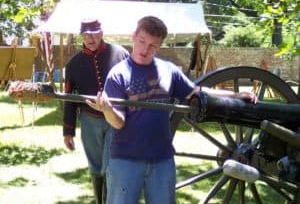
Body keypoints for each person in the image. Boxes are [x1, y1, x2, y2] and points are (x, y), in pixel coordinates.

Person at [86, 16, 257, 204]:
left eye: (153, 45)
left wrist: (234, 96)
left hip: (162, 159)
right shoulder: (118, 74)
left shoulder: (168, 70)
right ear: (134, 36)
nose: (145, 49)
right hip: (126, 160)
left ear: (159, 46)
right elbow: (118, 122)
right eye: (142, 41)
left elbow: (197, 92)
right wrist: (108, 109)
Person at [63, 19, 129, 204]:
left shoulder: (120, 54)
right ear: (81, 36)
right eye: (86, 35)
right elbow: (70, 99)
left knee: (110, 166)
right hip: (89, 121)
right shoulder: (73, 64)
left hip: (114, 119)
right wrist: (68, 131)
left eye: (94, 33)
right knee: (96, 167)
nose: (90, 38)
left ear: (101, 33)